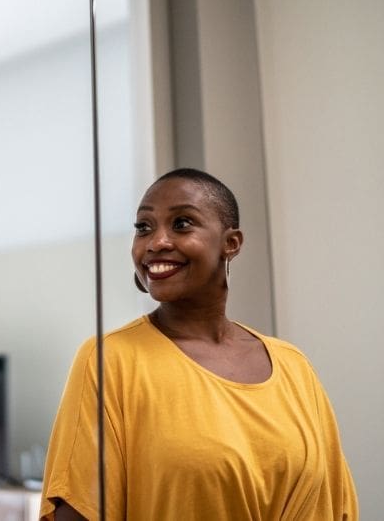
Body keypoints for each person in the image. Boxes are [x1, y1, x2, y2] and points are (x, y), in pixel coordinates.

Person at [40, 168, 357, 520]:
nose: (156, 241)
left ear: (231, 243)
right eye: (143, 227)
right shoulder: (110, 360)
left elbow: (333, 504)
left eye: (182, 223)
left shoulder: (294, 366)